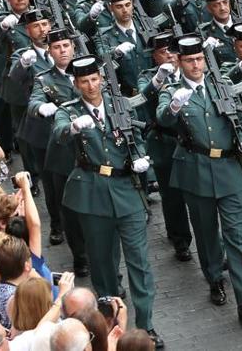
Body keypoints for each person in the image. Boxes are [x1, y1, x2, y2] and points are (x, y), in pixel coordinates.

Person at [52, 56, 163, 348]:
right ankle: (111, 325)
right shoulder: (70, 111)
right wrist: (74, 127)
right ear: (76, 84)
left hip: (127, 190)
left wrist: (142, 160)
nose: (91, 86)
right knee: (102, 265)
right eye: (84, 81)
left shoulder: (120, 105)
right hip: (93, 193)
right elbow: (59, 133)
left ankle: (146, 325)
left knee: (139, 263)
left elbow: (137, 136)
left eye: (94, 79)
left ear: (101, 79)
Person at [156, 36, 242, 329]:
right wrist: (175, 107)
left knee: (236, 237)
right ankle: (215, 277)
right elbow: (162, 118)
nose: (195, 65)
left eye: (199, 59)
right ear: (179, 62)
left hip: (228, 168)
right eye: (189, 61)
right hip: (196, 170)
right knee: (205, 232)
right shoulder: (172, 91)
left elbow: (238, 117)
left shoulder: (220, 83)